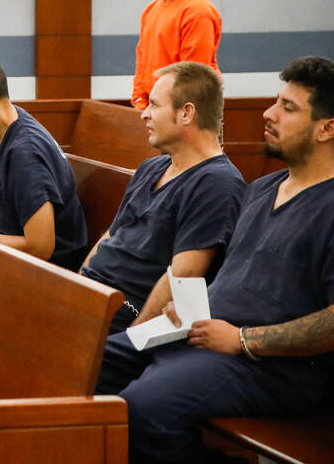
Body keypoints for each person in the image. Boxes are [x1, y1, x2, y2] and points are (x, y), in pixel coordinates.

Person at [96, 56, 334, 463]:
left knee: (141, 410)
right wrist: (185, 307)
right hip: (199, 334)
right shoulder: (262, 190)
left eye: (288, 107)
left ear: (326, 128)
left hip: (271, 365)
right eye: (276, 101)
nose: (269, 112)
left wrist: (243, 341)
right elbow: (232, 278)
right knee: (83, 361)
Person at [80, 62, 245, 334]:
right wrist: (75, 288)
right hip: (92, 298)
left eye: (154, 105)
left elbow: (182, 276)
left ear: (186, 114)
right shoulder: (152, 167)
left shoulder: (217, 183)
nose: (144, 115)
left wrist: (132, 339)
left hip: (125, 315)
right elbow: (110, 237)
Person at [0, 54, 88, 269]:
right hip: (11, 259)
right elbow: (0, 204)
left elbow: (39, 247)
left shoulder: (25, 154)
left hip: (53, 276)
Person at [131, 0, 221, 109]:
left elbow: (192, 75)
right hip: (154, 108)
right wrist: (140, 102)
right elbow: (141, 63)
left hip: (182, 110)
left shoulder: (198, 11)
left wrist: (168, 110)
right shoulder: (151, 8)